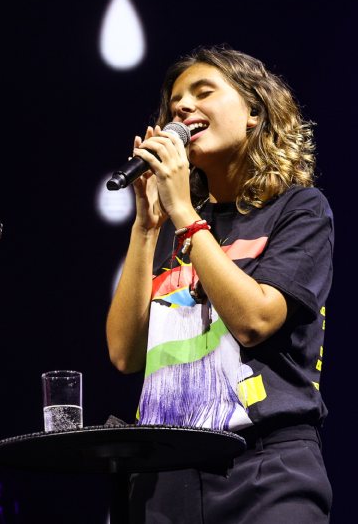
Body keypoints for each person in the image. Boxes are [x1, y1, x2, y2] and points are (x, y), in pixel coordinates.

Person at [105, 46, 333, 522]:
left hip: (264, 470)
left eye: (203, 92)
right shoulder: (170, 228)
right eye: (174, 102)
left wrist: (185, 216)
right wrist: (147, 227)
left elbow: (255, 320)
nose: (182, 108)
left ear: (254, 111)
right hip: (164, 474)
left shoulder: (299, 210)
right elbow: (125, 354)